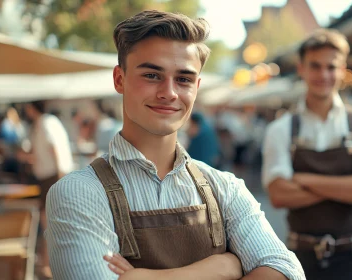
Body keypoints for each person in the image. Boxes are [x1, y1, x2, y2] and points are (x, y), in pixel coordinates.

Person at [45, 10, 304, 280]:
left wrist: (148, 277)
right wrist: (220, 268)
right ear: (119, 79)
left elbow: (287, 272)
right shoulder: (76, 192)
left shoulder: (224, 186)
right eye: (152, 75)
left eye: (183, 79)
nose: (169, 92)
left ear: (196, 87)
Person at [261, 29, 352, 280]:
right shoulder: (280, 129)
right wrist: (351, 188)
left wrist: (305, 179)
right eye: (315, 66)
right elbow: (278, 194)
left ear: (342, 70)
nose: (323, 75)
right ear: (301, 69)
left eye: (331, 67)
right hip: (302, 259)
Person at [20, 100, 74, 278]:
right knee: (49, 223)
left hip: (53, 177)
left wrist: (59, 177)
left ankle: (52, 265)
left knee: (51, 223)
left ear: (31, 108)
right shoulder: (47, 122)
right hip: (52, 176)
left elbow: (54, 148)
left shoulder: (45, 122)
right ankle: (48, 264)